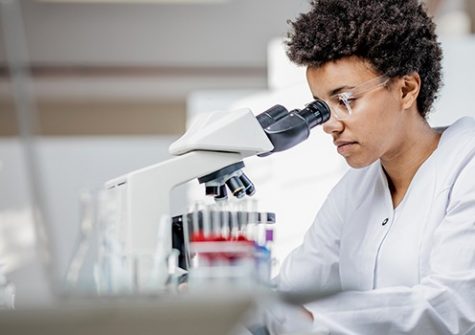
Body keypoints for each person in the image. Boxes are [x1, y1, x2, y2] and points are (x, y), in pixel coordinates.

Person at [274, 0, 475, 334]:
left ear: (406, 89)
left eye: (345, 100)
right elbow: (293, 285)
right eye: (321, 107)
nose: (329, 125)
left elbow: (451, 303)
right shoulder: (354, 191)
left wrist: (318, 319)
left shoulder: (467, 167)